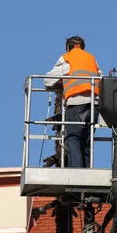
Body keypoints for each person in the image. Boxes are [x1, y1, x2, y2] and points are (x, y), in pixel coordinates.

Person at [44, 36, 103, 168]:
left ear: (68, 48)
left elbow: (47, 80)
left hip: (77, 102)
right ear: (82, 47)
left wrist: (60, 84)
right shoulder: (91, 60)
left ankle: (77, 173)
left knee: (72, 138)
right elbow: (102, 78)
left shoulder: (68, 59)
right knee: (87, 142)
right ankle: (87, 174)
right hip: (94, 104)